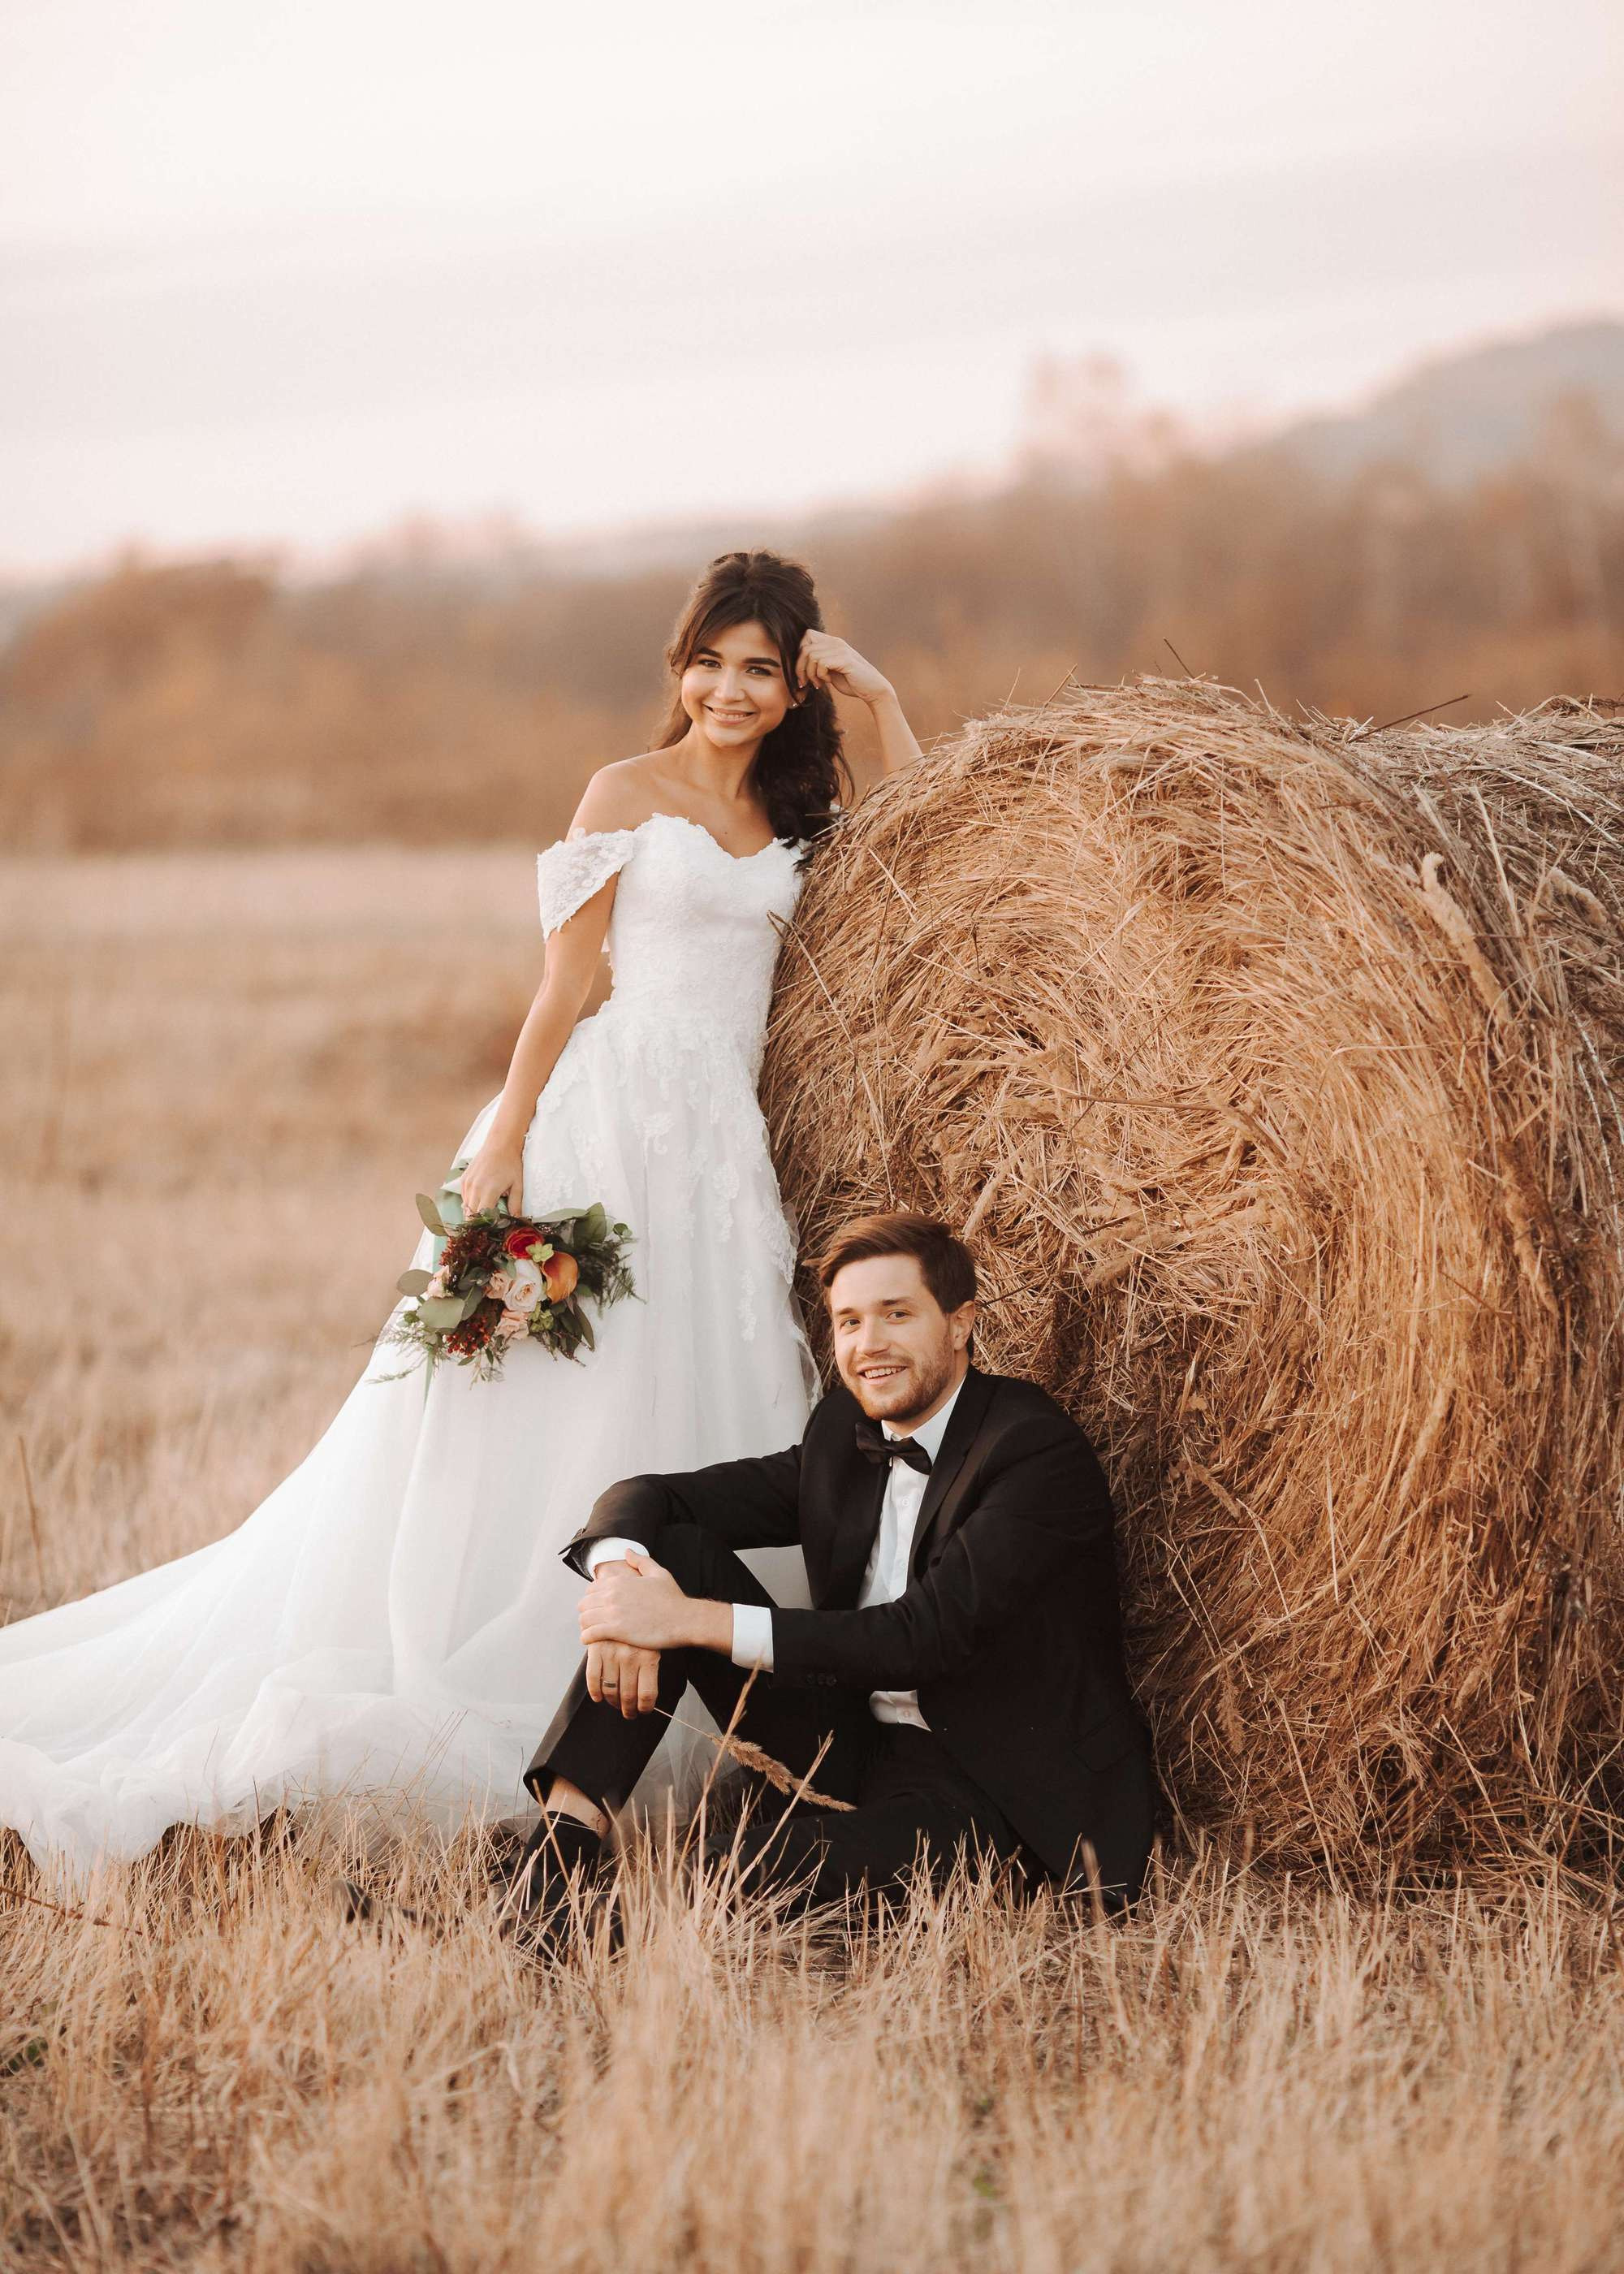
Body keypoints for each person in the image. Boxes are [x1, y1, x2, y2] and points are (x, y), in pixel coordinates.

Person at [0, 550, 923, 1883]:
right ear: (680, 668)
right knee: (559, 1396)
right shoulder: (623, 792)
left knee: (698, 1387)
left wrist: (879, 694)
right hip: (604, 1126)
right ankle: (554, 1685)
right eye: (710, 661)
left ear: (793, 689)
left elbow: (919, 852)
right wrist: (504, 1139)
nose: (729, 689)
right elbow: (564, 987)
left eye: (761, 669)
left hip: (721, 1148)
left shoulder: (801, 808)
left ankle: (701, 1696)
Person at [512, 1211, 1155, 1939]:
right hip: (851, 1741)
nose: (868, 1344)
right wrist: (621, 1587)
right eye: (848, 1322)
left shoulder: (1033, 1451)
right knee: (677, 1554)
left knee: (730, 1875)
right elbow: (654, 1495)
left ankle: (563, 1932)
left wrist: (683, 1620)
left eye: (896, 1314)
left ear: (961, 1323)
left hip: (987, 1786)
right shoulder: (842, 1436)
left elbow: (920, 1638)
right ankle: (550, 1876)